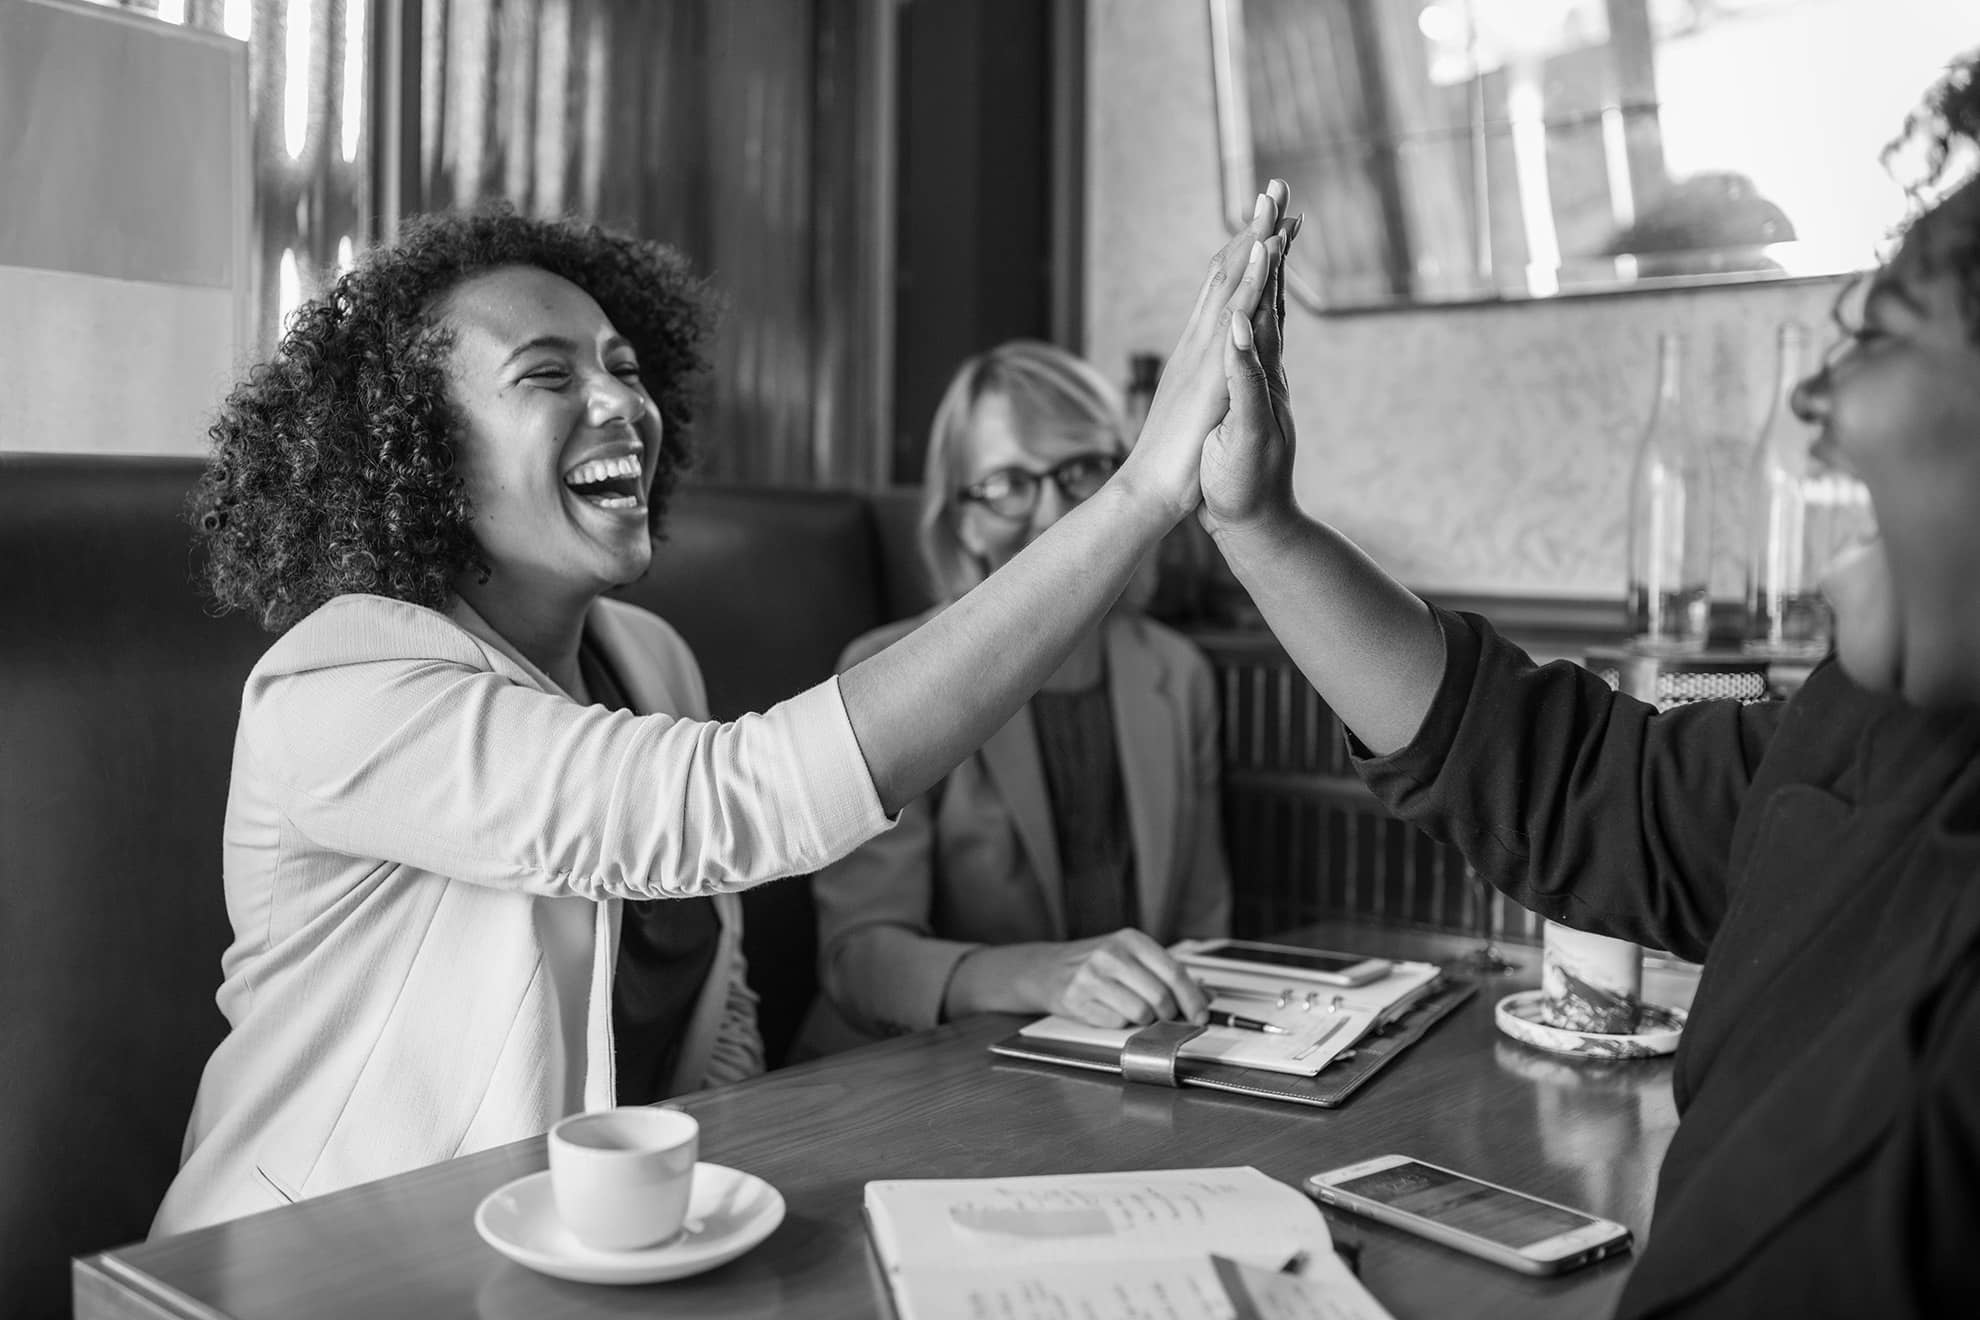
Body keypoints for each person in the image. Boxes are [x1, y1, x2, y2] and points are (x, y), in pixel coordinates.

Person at [151, 187, 1294, 1236]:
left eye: (627, 367)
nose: (622, 402)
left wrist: (730, 1207)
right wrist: (1139, 492)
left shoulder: (649, 659)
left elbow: (716, 1005)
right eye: (547, 376)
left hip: (577, 1254)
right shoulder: (342, 691)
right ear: (415, 450)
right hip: (305, 1263)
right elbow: (728, 804)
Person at [1200, 56, 1980, 1315]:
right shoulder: (1875, 731)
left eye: (1880, 336)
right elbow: (1585, 789)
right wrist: (1261, 529)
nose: (1813, 400)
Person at [796, 342, 1232, 1055]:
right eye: (1008, 484)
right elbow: (859, 961)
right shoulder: (882, 672)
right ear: (961, 519)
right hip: (927, 1069)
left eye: (1080, 471)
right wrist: (1038, 976)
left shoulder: (1178, 674)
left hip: (1120, 1063)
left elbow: (1203, 928)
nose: (1055, 513)